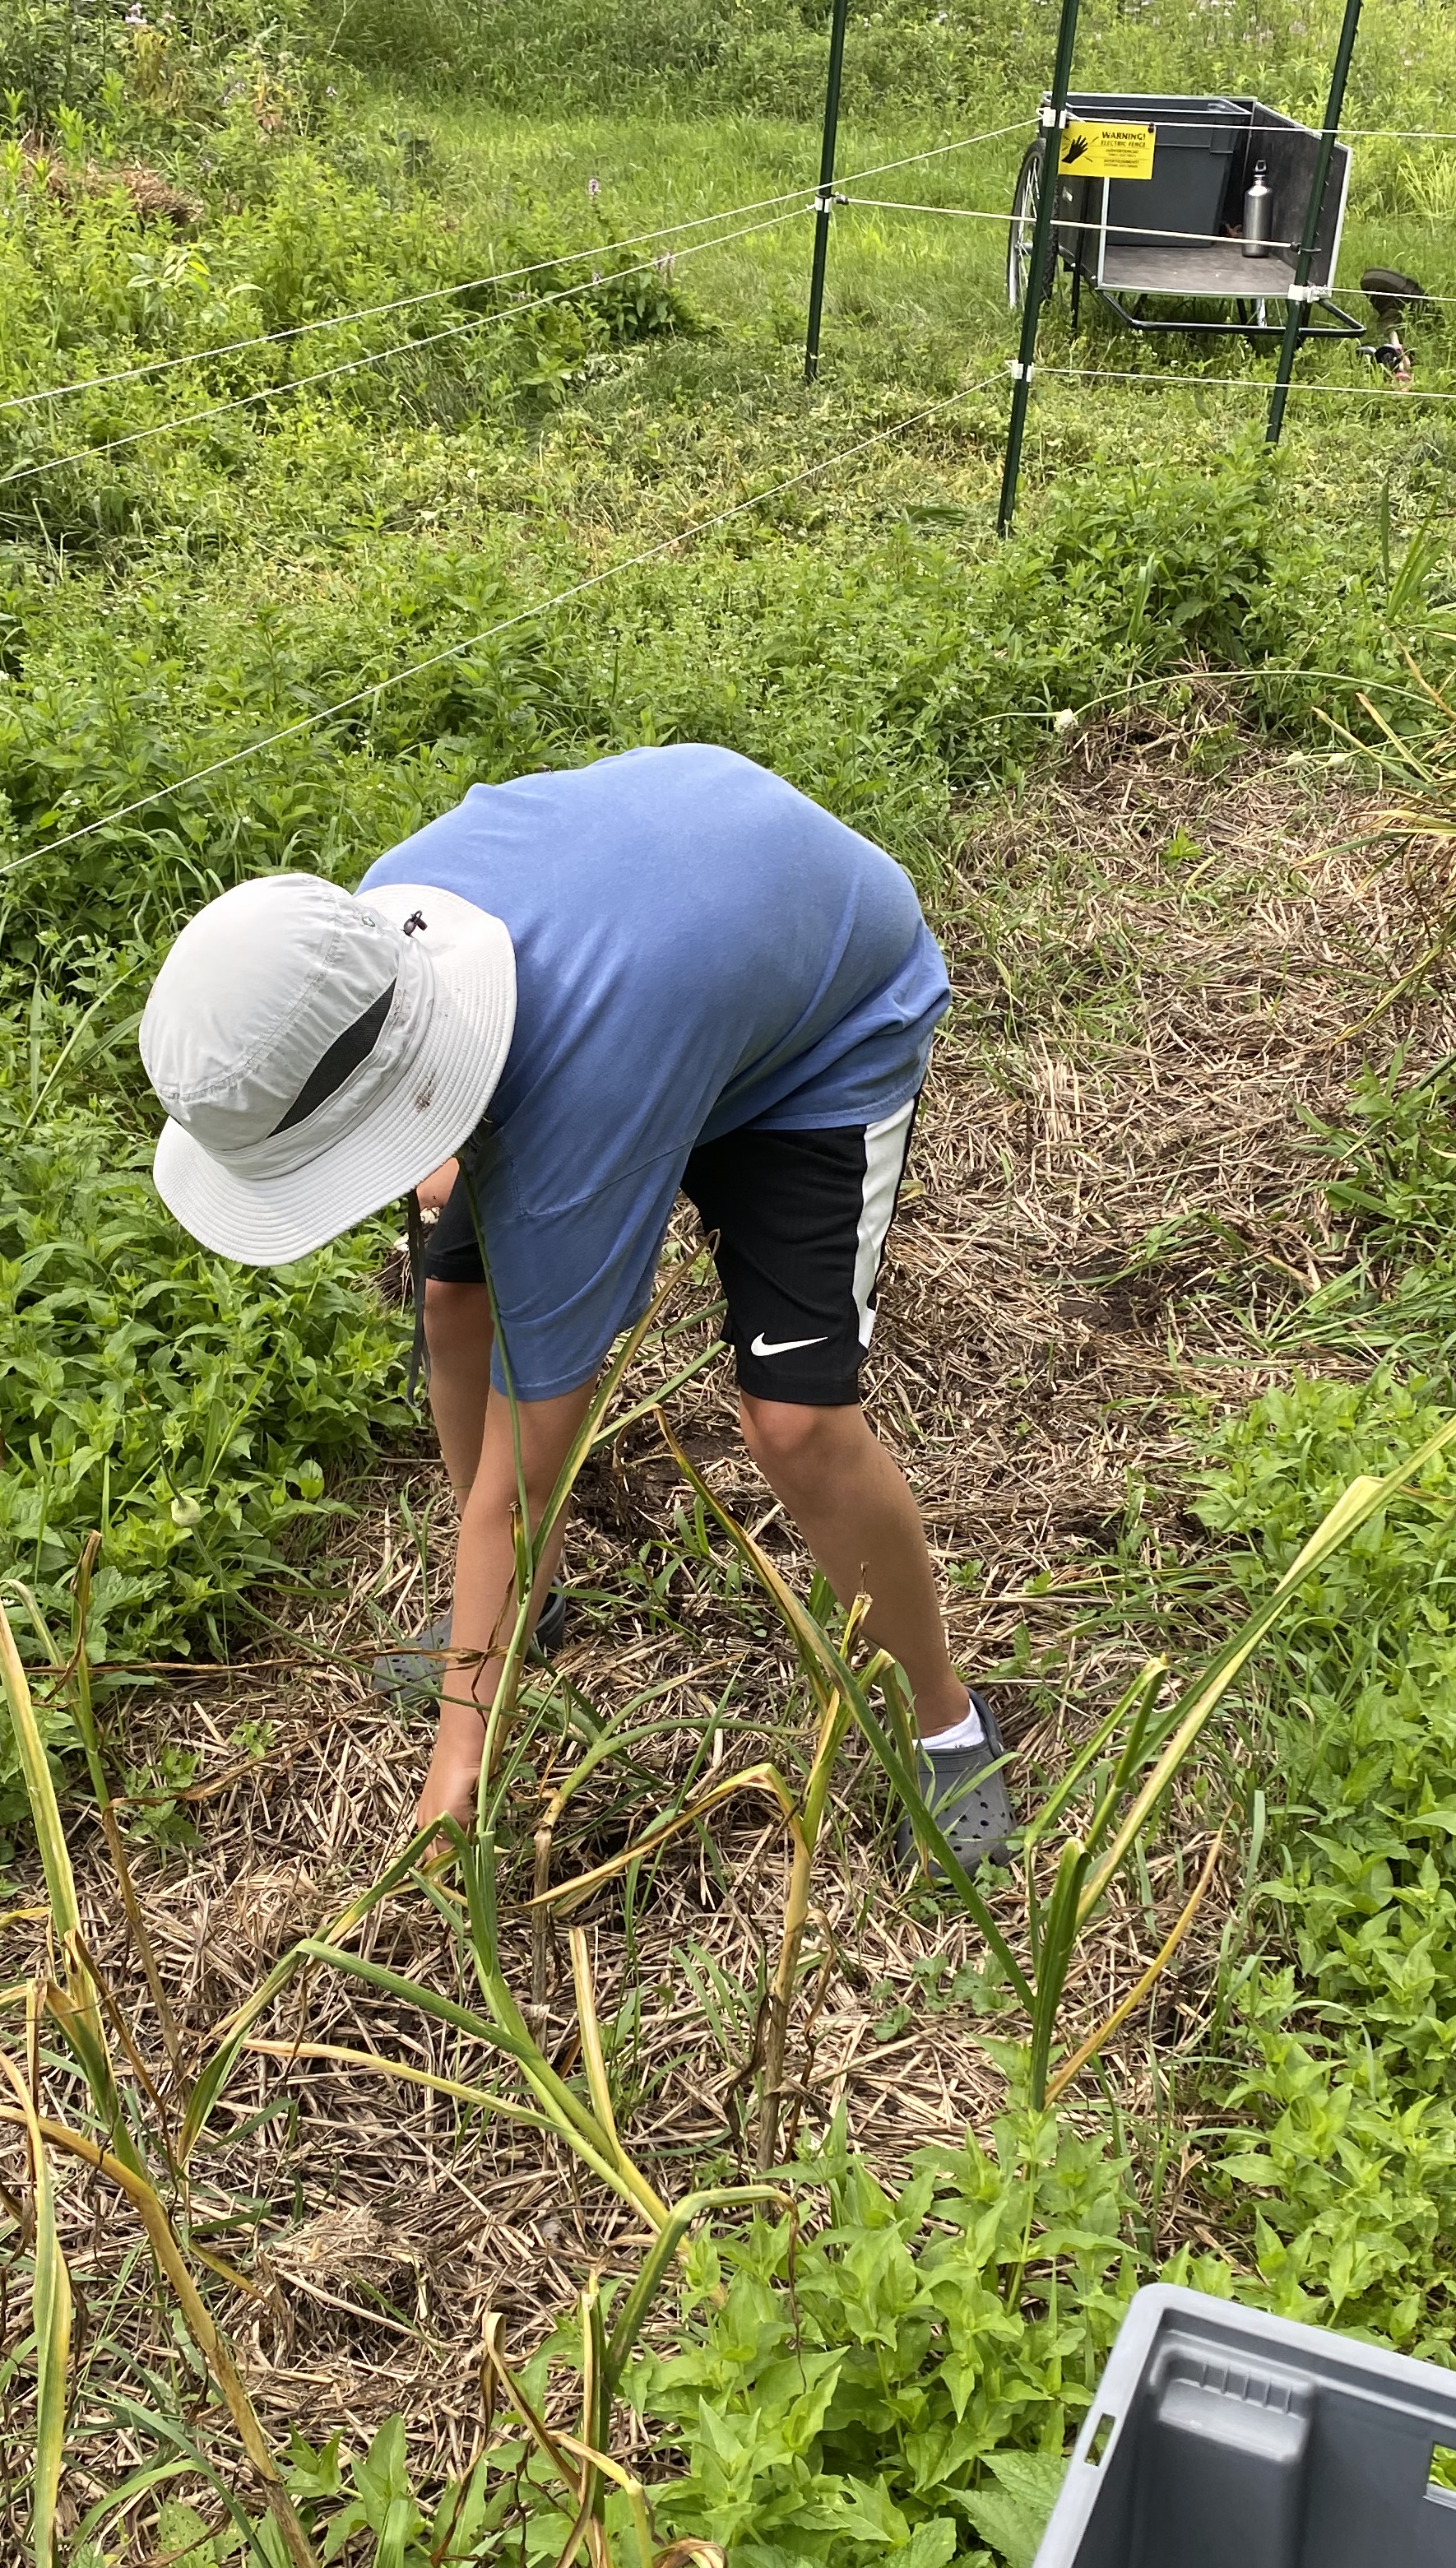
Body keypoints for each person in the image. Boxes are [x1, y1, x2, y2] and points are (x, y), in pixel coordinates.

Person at [138, 741, 1011, 1863]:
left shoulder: (578, 1114)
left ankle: (948, 1727)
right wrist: (426, 1141)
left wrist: (459, 1766)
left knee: (794, 1425)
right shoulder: (344, 957)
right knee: (451, 1299)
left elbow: (529, 1472)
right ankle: (513, 1613)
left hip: (823, 1019)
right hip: (674, 950)